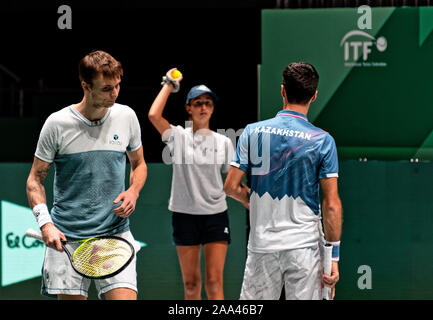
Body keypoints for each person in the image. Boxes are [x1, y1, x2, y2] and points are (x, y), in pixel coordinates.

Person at [25, 50, 147, 300]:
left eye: (118, 86)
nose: (114, 93)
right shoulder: (57, 124)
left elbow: (139, 164)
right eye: (106, 88)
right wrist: (45, 224)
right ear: (85, 86)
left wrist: (133, 191)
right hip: (67, 238)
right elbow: (34, 180)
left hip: (114, 235)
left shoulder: (126, 117)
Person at [224, 62, 342, 300]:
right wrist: (334, 258)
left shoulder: (252, 132)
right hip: (304, 248)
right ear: (314, 95)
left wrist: (253, 202)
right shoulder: (323, 140)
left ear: (282, 91)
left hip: (262, 246)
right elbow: (331, 205)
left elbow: (230, 187)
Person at [148, 69, 236, 300]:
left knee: (214, 284)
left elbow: (232, 183)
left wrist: (249, 200)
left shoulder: (225, 142)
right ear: (188, 108)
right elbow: (153, 115)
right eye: (197, 103)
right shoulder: (178, 136)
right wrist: (169, 84)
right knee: (191, 284)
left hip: (216, 216)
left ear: (213, 108)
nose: (203, 108)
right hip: (184, 215)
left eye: (207, 103)